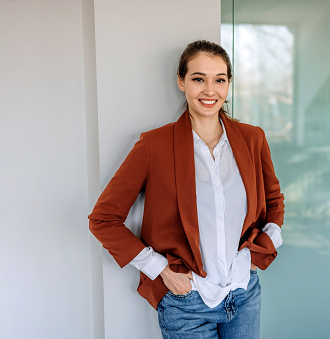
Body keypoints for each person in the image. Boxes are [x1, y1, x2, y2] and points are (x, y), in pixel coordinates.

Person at [88, 40, 285, 339]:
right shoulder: (154, 145)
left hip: (244, 295)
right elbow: (103, 219)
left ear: (229, 84)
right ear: (181, 82)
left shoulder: (252, 139)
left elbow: (273, 200)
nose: (210, 90)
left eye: (219, 80)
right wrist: (161, 270)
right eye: (198, 79)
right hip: (187, 303)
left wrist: (260, 250)